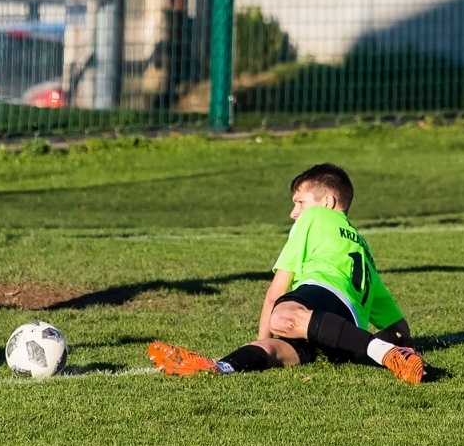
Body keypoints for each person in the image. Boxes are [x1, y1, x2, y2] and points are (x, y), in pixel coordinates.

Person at [147, 163, 427, 384]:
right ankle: (220, 367)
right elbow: (399, 329)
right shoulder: (363, 250)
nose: (294, 213)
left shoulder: (316, 218)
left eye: (300, 202)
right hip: (342, 339)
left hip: (323, 297)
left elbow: (276, 292)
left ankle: (385, 353)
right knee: (276, 352)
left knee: (281, 319)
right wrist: (407, 347)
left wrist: (266, 331)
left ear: (328, 202)